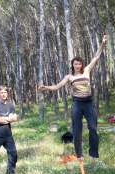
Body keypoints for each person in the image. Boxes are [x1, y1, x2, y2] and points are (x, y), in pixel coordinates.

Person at [39, 35, 108, 163]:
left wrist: (102, 44)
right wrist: (46, 87)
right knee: (77, 130)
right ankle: (79, 155)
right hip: (77, 105)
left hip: (88, 103)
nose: (78, 65)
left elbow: (96, 57)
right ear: (73, 65)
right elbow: (57, 86)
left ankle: (92, 154)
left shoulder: (87, 71)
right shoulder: (69, 77)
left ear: (82, 64)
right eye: (75, 64)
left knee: (93, 127)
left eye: (79, 63)